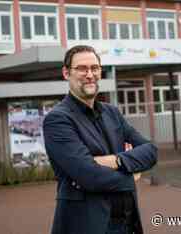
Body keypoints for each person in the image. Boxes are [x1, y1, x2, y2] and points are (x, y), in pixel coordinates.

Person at [43, 45, 158, 234]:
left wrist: (117, 160)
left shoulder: (111, 112)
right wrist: (131, 174)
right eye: (82, 68)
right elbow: (89, 175)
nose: (90, 74)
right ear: (66, 73)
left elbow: (150, 151)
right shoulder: (58, 119)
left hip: (127, 224)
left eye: (95, 68)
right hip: (88, 226)